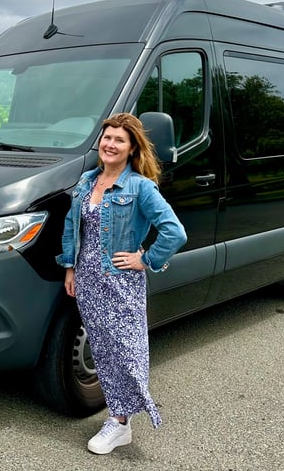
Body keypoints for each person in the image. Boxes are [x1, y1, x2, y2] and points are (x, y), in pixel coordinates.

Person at [56, 112, 187, 455]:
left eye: (119, 140)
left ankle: (120, 421)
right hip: (87, 281)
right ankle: (119, 421)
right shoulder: (87, 181)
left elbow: (175, 231)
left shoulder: (140, 187)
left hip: (120, 283)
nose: (110, 144)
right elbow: (73, 228)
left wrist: (145, 260)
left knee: (126, 351)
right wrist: (70, 269)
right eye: (107, 137)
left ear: (131, 149)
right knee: (102, 350)